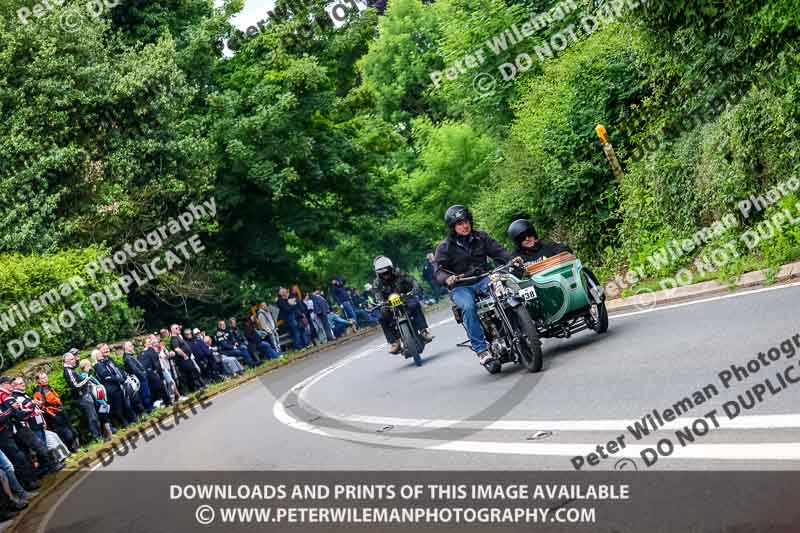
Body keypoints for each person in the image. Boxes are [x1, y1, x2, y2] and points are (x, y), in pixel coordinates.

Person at [434, 205, 521, 367]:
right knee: (468, 307)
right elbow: (438, 271)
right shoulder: (444, 247)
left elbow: (498, 252)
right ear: (453, 227)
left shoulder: (481, 237)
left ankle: (519, 330)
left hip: (484, 279)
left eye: (466, 221)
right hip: (461, 286)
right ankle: (482, 350)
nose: (464, 226)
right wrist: (447, 278)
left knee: (505, 291)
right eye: (459, 223)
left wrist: (511, 260)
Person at [372, 256, 434, 353]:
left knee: (415, 305)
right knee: (382, 317)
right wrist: (380, 301)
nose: (385, 275)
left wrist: (415, 287)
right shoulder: (377, 282)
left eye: (387, 272)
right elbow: (377, 294)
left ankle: (423, 330)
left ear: (391, 269)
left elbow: (412, 281)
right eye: (382, 274)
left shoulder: (400, 273)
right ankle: (394, 342)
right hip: (388, 305)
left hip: (406, 298)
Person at [0, 377, 58, 478]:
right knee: (38, 447)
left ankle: (39, 474)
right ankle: (51, 467)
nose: (12, 385)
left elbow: (18, 411)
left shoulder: (9, 395)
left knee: (27, 453)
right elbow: (17, 414)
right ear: (3, 384)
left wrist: (29, 410)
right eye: (10, 383)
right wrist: (31, 411)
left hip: (18, 428)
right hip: (18, 428)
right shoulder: (5, 395)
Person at [33, 372, 79, 452]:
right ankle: (70, 449)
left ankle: (76, 448)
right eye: (42, 378)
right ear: (38, 380)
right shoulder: (38, 391)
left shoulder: (48, 387)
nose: (45, 379)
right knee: (65, 433)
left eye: (46, 377)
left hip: (60, 411)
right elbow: (42, 405)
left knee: (71, 429)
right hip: (53, 415)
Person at [63, 351, 103, 441]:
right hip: (83, 396)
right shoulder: (68, 371)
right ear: (66, 361)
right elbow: (75, 386)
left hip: (86, 394)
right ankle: (97, 437)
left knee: (95, 416)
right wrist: (86, 380)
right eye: (72, 359)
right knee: (92, 417)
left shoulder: (71, 369)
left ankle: (100, 434)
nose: (74, 360)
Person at [93, 348, 137, 427]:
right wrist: (120, 379)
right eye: (99, 355)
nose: (101, 355)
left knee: (123, 404)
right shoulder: (98, 366)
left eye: (100, 354)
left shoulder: (104, 363)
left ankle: (130, 421)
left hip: (116, 387)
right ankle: (124, 423)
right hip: (111, 390)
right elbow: (107, 376)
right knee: (118, 408)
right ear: (95, 357)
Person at [170, 325, 205, 393]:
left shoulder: (178, 336)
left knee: (191, 373)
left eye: (178, 328)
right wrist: (184, 355)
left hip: (186, 358)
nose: (178, 329)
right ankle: (196, 388)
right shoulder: (174, 339)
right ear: (172, 330)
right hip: (183, 359)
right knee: (192, 373)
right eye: (176, 328)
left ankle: (196, 388)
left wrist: (179, 328)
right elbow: (176, 349)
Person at [139, 335, 170, 408]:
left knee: (162, 387)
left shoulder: (151, 350)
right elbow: (146, 365)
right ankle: (165, 402)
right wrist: (154, 370)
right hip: (153, 374)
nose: (150, 343)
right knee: (159, 388)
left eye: (150, 342)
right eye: (148, 342)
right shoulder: (143, 354)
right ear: (144, 344)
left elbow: (156, 359)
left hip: (158, 371)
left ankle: (167, 402)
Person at [123, 342, 152, 413]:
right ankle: (150, 409)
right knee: (145, 394)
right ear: (125, 348)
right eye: (130, 346)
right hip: (139, 378)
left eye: (132, 345)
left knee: (146, 393)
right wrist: (142, 375)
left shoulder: (130, 356)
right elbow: (134, 369)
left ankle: (150, 408)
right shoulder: (127, 357)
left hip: (140, 377)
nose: (132, 346)